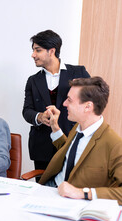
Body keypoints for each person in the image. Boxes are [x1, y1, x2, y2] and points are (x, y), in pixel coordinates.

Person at [39, 76, 122, 206]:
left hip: (70, 203)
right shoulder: (79, 127)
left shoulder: (115, 145)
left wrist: (82, 193)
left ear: (88, 107)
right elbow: (71, 152)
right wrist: (55, 128)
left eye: (69, 100)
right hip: (49, 190)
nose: (64, 104)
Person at [22, 30, 90, 177]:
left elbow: (93, 101)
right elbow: (27, 111)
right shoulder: (33, 81)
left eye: (37, 50)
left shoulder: (78, 72)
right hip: (41, 147)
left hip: (72, 142)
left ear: (51, 51)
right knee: (43, 190)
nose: (33, 54)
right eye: (33, 50)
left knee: (70, 188)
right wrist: (39, 117)